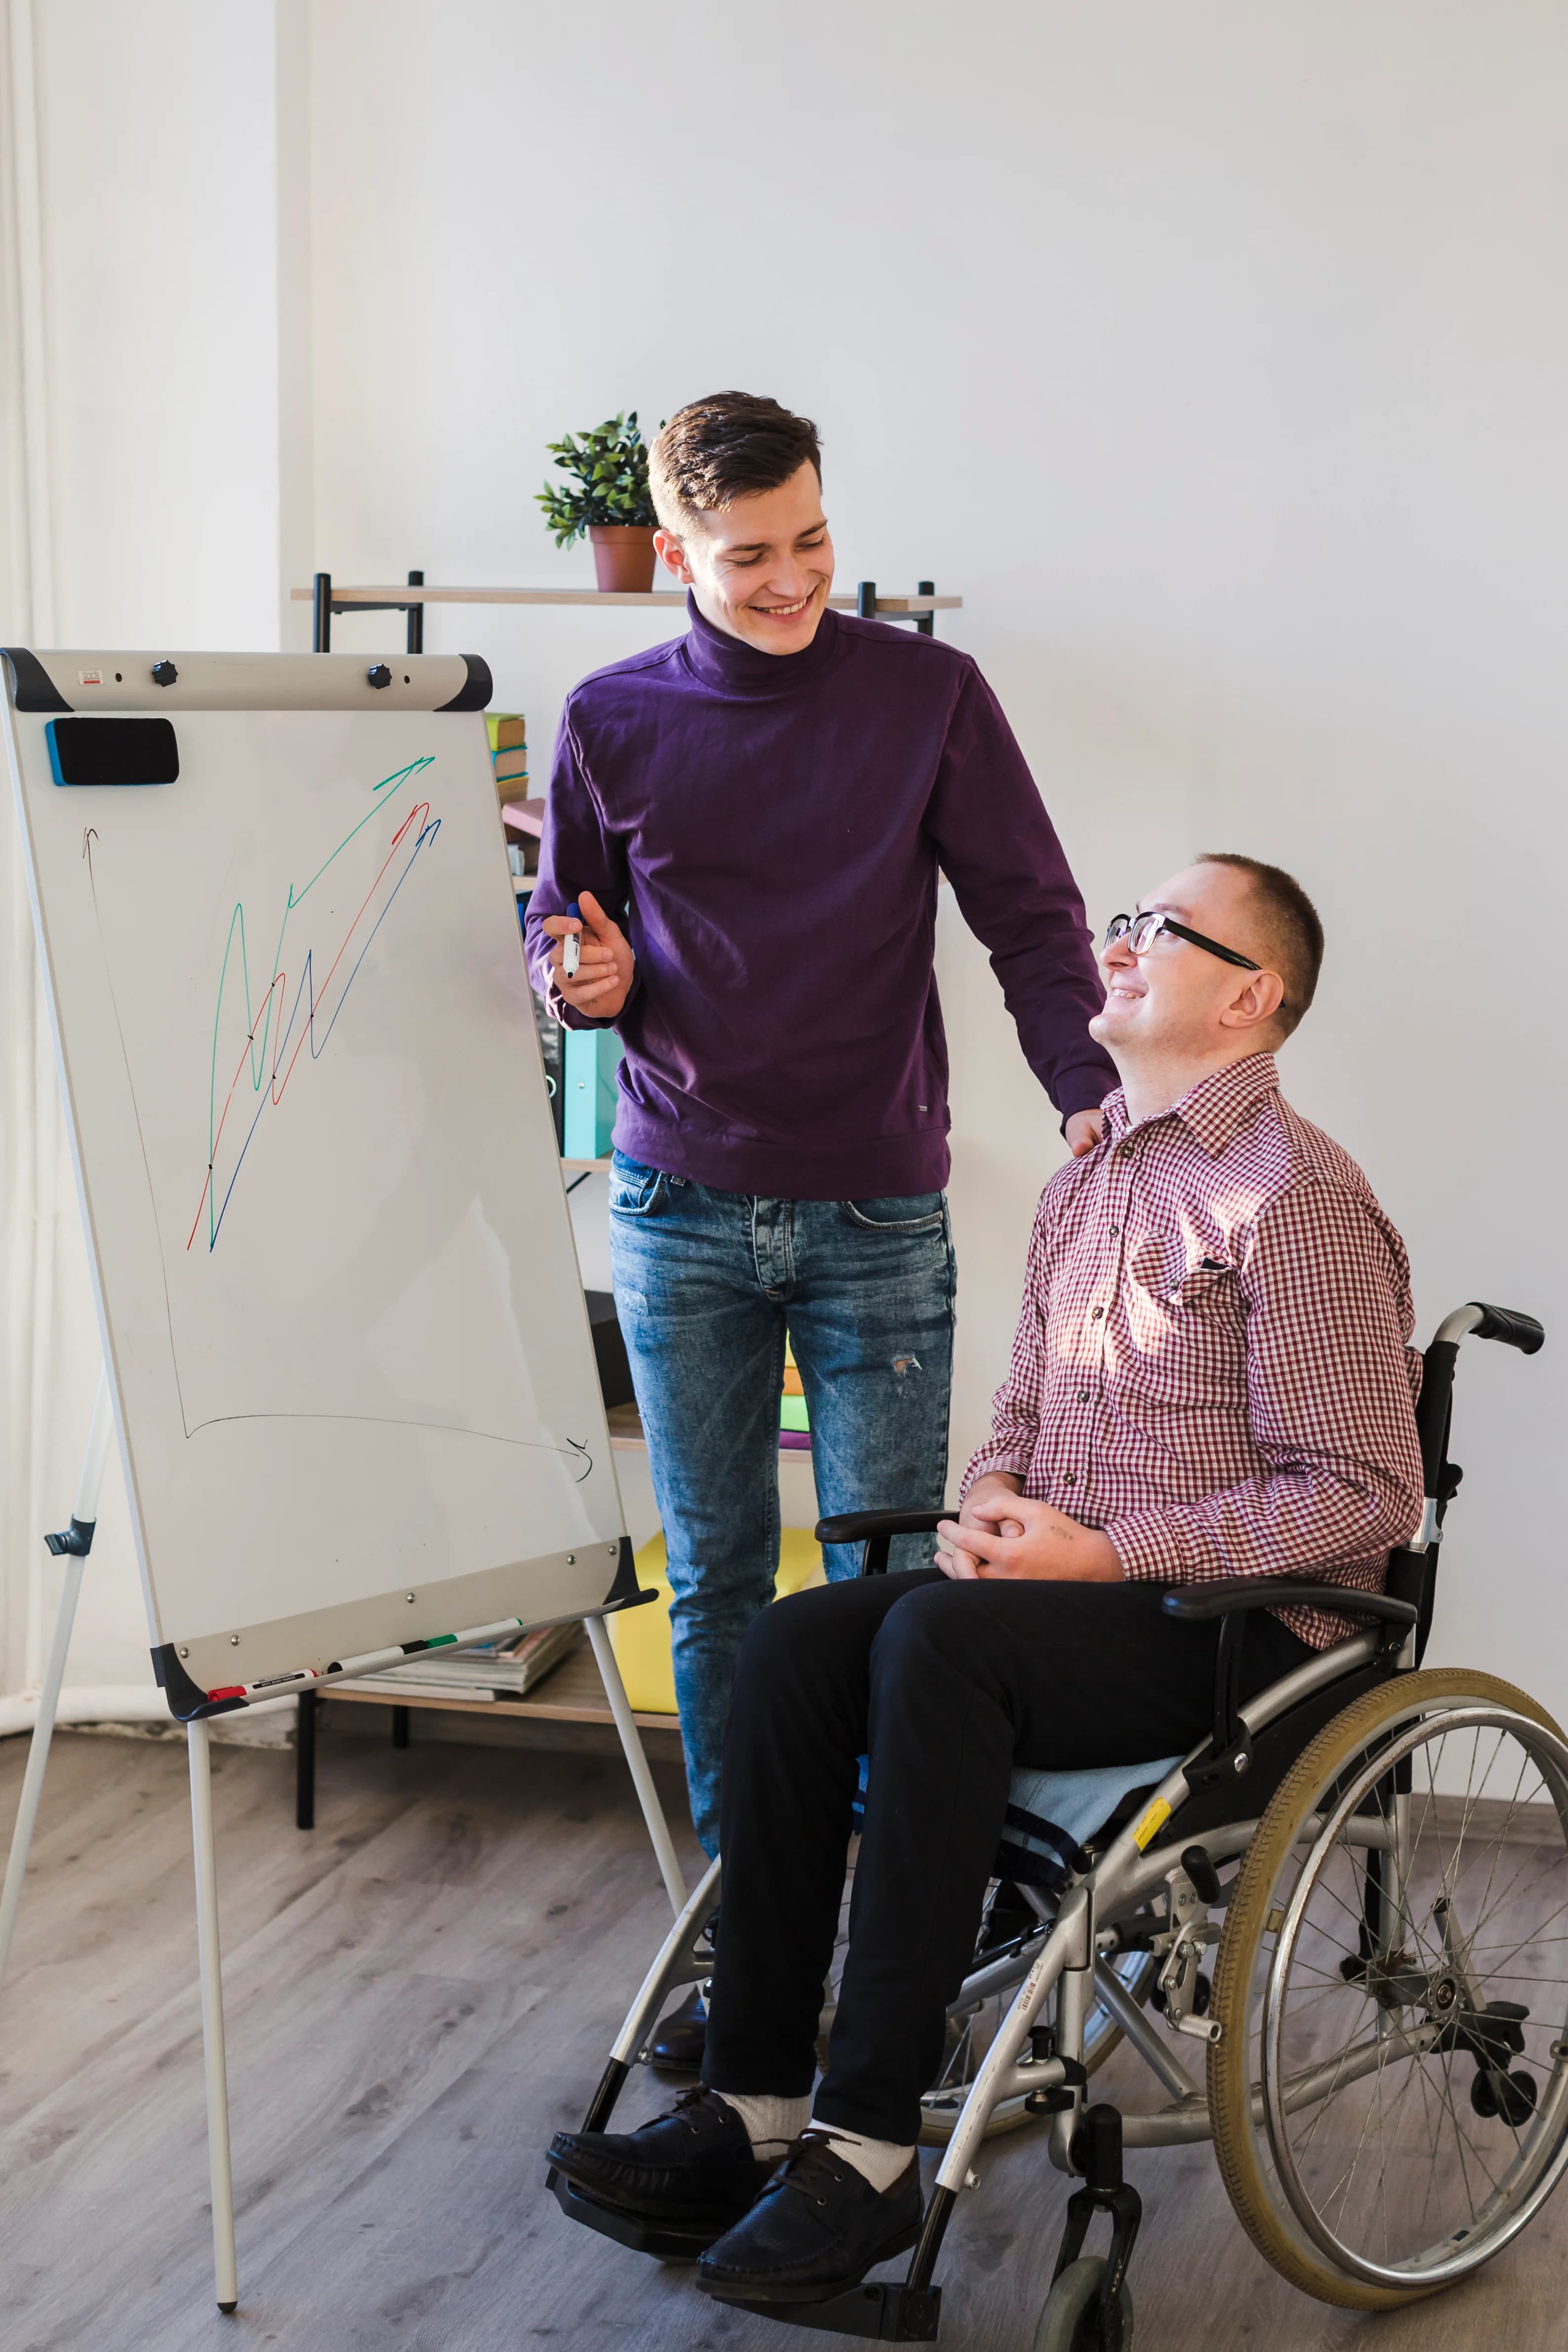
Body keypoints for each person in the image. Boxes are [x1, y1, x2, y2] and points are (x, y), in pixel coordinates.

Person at [547, 852, 1424, 2308]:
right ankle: (756, 2099)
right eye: (1122, 918)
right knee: (795, 1643)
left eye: (1158, 927)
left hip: (1241, 1632)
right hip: (1066, 1603)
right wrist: (995, 1502)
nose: (1117, 939)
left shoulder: (1298, 1200)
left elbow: (1363, 1497)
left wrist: (1110, 1552)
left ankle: (868, 2144)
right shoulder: (1092, 1175)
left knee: (939, 1647)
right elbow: (1018, 1419)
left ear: (1251, 997)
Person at [524, 391, 1115, 1999]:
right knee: (718, 1579)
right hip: (675, 1203)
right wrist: (579, 981)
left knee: (882, 1598)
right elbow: (561, 940)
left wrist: (1088, 1091)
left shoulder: (926, 695)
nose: (790, 581)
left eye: (811, 542)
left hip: (873, 1211)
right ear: (672, 554)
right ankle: (753, 1930)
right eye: (745, 557)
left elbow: (1030, 914)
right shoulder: (607, 719)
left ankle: (891, 1935)